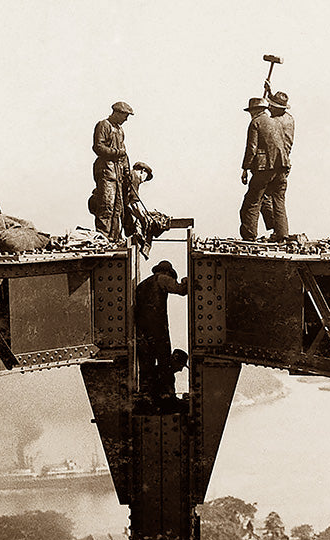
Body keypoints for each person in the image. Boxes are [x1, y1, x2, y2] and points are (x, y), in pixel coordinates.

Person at [134, 260, 188, 409]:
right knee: (165, 363)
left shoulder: (141, 285)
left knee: (146, 365)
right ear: (167, 272)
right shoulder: (162, 279)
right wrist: (186, 281)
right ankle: (167, 395)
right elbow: (181, 289)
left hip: (141, 332)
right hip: (158, 329)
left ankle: (146, 396)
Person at [239, 97, 290, 241]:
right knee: (278, 202)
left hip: (264, 169)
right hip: (282, 168)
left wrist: (245, 168)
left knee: (251, 202)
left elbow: (251, 148)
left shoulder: (255, 122)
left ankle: (249, 236)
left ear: (254, 111)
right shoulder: (276, 122)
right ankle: (282, 235)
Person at [91, 101, 134, 241]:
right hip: (106, 171)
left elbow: (124, 154)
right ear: (117, 113)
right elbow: (98, 147)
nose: (126, 119)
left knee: (118, 207)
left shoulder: (120, 130)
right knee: (106, 205)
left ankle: (115, 237)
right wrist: (116, 152)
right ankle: (103, 236)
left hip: (118, 173)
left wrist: (126, 170)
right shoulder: (103, 125)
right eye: (125, 115)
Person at [260, 88, 294, 237]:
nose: (269, 107)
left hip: (273, 164)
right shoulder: (289, 118)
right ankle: (281, 233)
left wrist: (258, 116)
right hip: (284, 164)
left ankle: (275, 228)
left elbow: (263, 124)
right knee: (279, 200)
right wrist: (270, 92)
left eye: (272, 106)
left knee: (261, 197)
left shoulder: (274, 122)